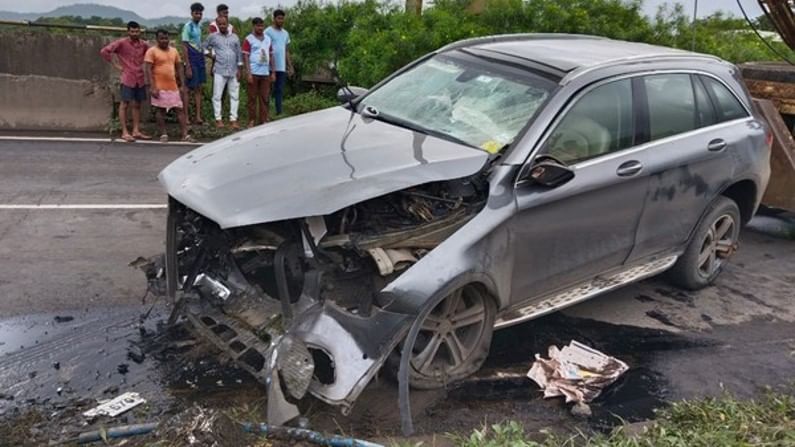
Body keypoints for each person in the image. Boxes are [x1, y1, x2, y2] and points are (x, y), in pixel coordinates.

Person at [99, 21, 151, 142]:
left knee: (137, 104)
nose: (135, 33)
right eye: (132, 31)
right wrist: (116, 65)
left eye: (137, 31)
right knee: (125, 104)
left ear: (140, 31)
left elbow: (152, 53)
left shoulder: (143, 45)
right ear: (128, 32)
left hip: (140, 77)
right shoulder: (121, 43)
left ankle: (136, 130)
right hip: (127, 77)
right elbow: (105, 51)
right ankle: (124, 131)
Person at [144, 29, 193, 142]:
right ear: (157, 39)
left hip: (173, 86)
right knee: (160, 111)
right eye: (161, 38)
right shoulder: (152, 51)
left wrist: (182, 84)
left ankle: (185, 135)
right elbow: (148, 69)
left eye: (166, 38)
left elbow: (179, 67)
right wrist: (152, 86)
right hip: (159, 87)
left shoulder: (174, 51)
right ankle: (163, 134)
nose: (164, 40)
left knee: (179, 110)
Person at [204, 16, 242, 129]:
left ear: (227, 24)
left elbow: (239, 53)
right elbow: (204, 47)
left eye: (224, 24)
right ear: (217, 25)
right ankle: (218, 119)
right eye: (219, 24)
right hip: (219, 70)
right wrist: (212, 57)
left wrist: (240, 69)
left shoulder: (235, 37)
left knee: (235, 96)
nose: (222, 26)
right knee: (217, 95)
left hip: (233, 70)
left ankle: (233, 120)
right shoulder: (213, 37)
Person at [242, 17, 275, 127]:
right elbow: (245, 56)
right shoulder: (249, 39)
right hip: (254, 72)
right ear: (254, 26)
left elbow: (271, 55)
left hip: (265, 72)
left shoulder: (268, 39)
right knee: (252, 98)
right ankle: (251, 120)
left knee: (265, 97)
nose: (260, 28)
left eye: (262, 26)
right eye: (258, 26)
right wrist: (248, 73)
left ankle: (263, 120)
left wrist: (273, 72)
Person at [182, 2, 206, 125]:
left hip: (199, 56)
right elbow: (185, 45)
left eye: (200, 13)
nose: (198, 15)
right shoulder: (188, 26)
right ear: (192, 13)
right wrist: (188, 65)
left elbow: (199, 43)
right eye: (196, 13)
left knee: (198, 88)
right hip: (191, 57)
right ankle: (185, 117)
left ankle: (198, 116)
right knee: (187, 89)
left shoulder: (199, 27)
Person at [265, 9, 293, 115]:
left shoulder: (285, 33)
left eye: (282, 19)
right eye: (279, 18)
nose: (281, 21)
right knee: (267, 90)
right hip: (269, 67)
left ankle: (279, 112)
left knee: (279, 90)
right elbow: (264, 47)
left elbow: (286, 50)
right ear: (274, 19)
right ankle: (265, 113)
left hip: (281, 66)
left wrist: (290, 66)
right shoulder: (268, 31)